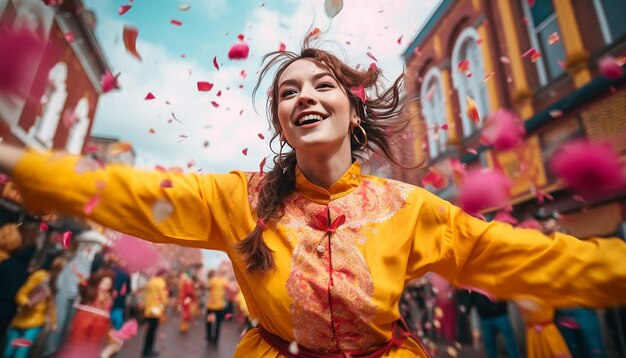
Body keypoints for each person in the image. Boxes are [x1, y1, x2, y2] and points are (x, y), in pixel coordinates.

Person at [1, 44, 626, 357]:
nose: (304, 96)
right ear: (281, 122)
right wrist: (13, 160)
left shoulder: (410, 209)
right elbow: (124, 190)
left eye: (322, 84)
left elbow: (532, 258)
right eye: (287, 91)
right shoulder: (236, 198)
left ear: (353, 111)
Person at [533, 208, 608, 358]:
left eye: (547, 220)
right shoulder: (543, 248)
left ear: (557, 222)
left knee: (594, 351)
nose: (544, 224)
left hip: (582, 308)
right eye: (541, 221)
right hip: (560, 310)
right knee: (572, 352)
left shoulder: (572, 243)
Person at [469, 291, 520, 358]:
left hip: (500, 314)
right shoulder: (477, 284)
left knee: (510, 341)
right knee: (489, 343)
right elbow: (473, 296)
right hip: (485, 316)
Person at [141, 268, 168, 357]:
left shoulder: (151, 281)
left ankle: (146, 349)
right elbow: (164, 296)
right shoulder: (161, 283)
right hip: (156, 310)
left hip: (149, 309)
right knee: (152, 331)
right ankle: (149, 350)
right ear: (163, 274)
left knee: (149, 331)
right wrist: (165, 303)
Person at [205, 269, 229, 345]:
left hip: (211, 306)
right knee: (218, 323)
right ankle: (216, 340)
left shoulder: (212, 280)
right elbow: (227, 289)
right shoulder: (225, 281)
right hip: (219, 306)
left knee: (209, 322)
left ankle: (209, 337)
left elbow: (208, 288)